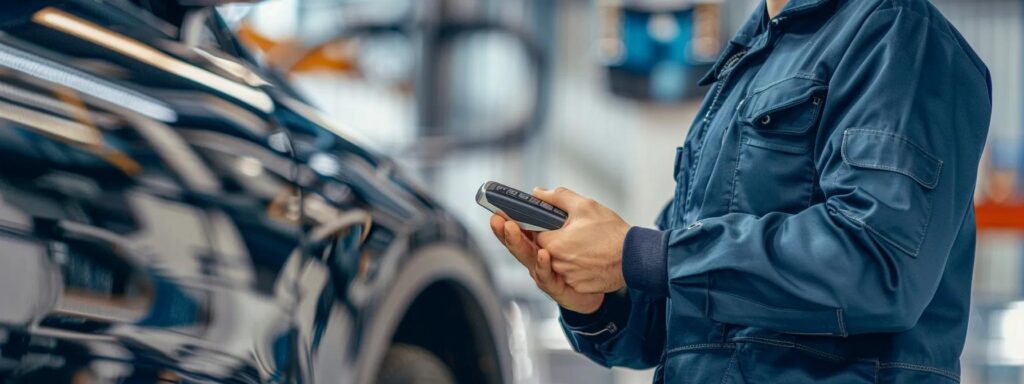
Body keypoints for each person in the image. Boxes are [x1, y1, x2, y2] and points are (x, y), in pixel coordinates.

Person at [489, 0, 992, 382]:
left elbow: (878, 263)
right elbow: (675, 320)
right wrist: (599, 298)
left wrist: (640, 254)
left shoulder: (897, 36)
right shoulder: (749, 65)